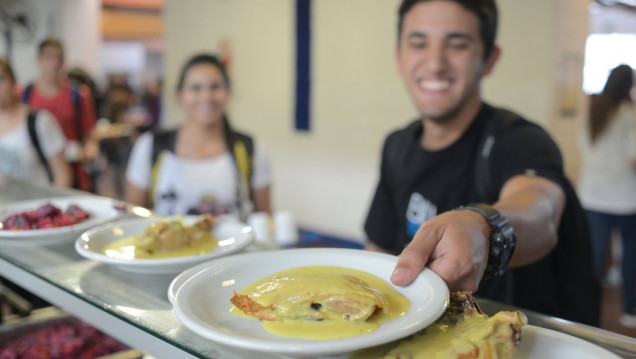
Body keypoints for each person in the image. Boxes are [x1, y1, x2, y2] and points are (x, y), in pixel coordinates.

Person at [364, 0, 599, 325]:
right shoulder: (396, 145)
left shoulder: (519, 140)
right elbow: (378, 248)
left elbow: (542, 210)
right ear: (399, 57)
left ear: (488, 59)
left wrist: (482, 225)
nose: (434, 63)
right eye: (418, 44)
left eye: (457, 44)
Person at [125, 54, 272, 219]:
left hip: (236, 246)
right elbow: (133, 217)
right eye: (196, 88)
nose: (206, 97)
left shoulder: (251, 149)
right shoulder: (150, 146)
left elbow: (264, 220)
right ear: (180, 95)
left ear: (228, 93)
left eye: (215, 87)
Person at [578, 64, 636, 327]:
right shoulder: (629, 113)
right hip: (626, 198)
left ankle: (590, 312)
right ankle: (629, 311)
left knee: (594, 257)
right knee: (631, 255)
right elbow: (633, 158)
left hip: (592, 195)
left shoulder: (592, 111)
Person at [20, 38, 97, 192]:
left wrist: (88, 151)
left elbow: (90, 137)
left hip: (74, 174)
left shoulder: (78, 95)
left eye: (59, 57)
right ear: (39, 60)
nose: (54, 63)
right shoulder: (25, 95)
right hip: (37, 174)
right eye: (49, 57)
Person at [0, 57, 71, 187]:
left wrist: (52, 205)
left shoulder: (38, 121)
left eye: (1, 79)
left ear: (13, 82)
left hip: (36, 203)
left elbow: (62, 174)